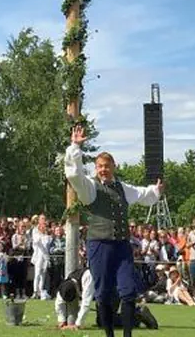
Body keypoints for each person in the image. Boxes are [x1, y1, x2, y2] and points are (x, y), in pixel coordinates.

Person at [64, 123, 163, 337]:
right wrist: (75, 147)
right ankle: (109, 335)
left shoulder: (123, 188)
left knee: (128, 291)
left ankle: (127, 335)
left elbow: (143, 194)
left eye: (106, 166)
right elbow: (74, 176)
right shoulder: (90, 188)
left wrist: (156, 190)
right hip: (99, 245)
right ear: (96, 168)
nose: (103, 169)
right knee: (103, 293)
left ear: (113, 166)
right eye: (99, 166)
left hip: (121, 246)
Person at [56, 263, 95, 330]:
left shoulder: (88, 277)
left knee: (104, 321)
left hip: (110, 288)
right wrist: (61, 320)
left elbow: (86, 303)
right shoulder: (66, 283)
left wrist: (77, 324)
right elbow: (59, 302)